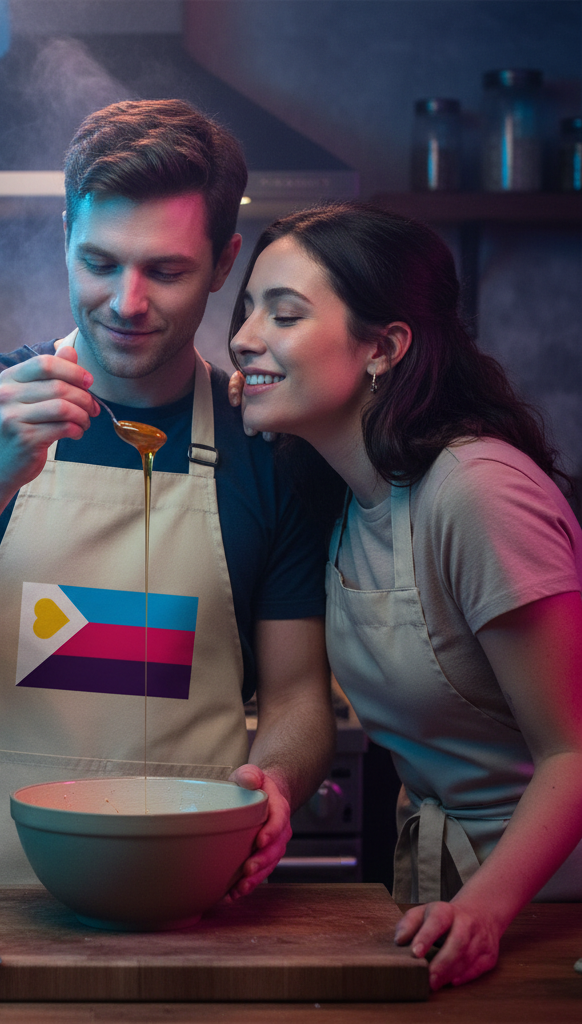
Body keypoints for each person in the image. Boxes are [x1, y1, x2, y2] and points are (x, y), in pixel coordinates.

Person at [0, 99, 336, 888]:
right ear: (66, 233)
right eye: (100, 263)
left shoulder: (268, 446)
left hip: (182, 892)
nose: (127, 303)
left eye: (165, 271)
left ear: (224, 260)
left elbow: (299, 697)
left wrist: (276, 777)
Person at [227, 202, 582, 989]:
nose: (243, 337)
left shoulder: (478, 492)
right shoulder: (347, 496)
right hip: (452, 908)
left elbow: (575, 751)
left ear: (384, 347)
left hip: (551, 912)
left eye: (282, 314)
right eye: (246, 310)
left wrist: (488, 909)